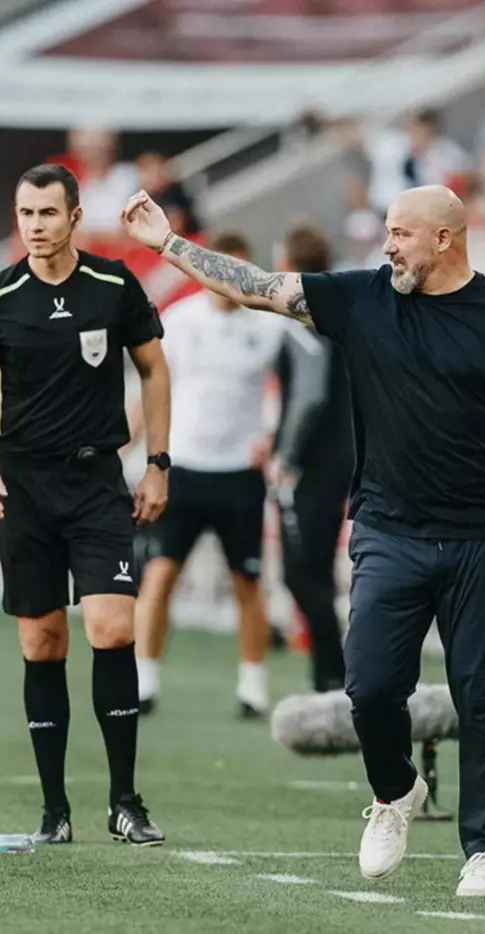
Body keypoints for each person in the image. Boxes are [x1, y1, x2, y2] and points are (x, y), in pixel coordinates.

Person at [121, 183, 485, 897]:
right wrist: (169, 244)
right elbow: (257, 286)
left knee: (481, 694)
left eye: (401, 234)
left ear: (445, 238)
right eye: (387, 232)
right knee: (372, 687)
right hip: (389, 530)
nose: (388, 246)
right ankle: (395, 791)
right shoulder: (362, 298)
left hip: (483, 536)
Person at [0, 163, 169, 848]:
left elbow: (154, 369)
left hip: (97, 482)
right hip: (24, 490)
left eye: (48, 213)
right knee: (42, 642)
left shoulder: (114, 285)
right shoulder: (0, 295)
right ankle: (54, 811)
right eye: (26, 214)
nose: (36, 226)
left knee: (112, 628)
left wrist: (157, 463)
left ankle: (125, 802)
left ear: (75, 217)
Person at [130, 229, 326, 718]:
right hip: (183, 468)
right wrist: (126, 448)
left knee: (247, 582)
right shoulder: (180, 320)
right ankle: (143, 681)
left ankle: (252, 688)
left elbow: (303, 384)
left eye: (238, 270)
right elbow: (152, 389)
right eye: (222, 268)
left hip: (240, 472)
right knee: (160, 575)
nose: (229, 280)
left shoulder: (270, 328)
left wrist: (276, 438)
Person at [271, 223, 352, 693]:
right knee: (316, 570)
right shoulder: (337, 310)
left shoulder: (303, 321)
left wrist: (286, 455)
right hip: (342, 456)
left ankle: (337, 672)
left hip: (316, 464)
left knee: (300, 573)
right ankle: (327, 677)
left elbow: (309, 396)